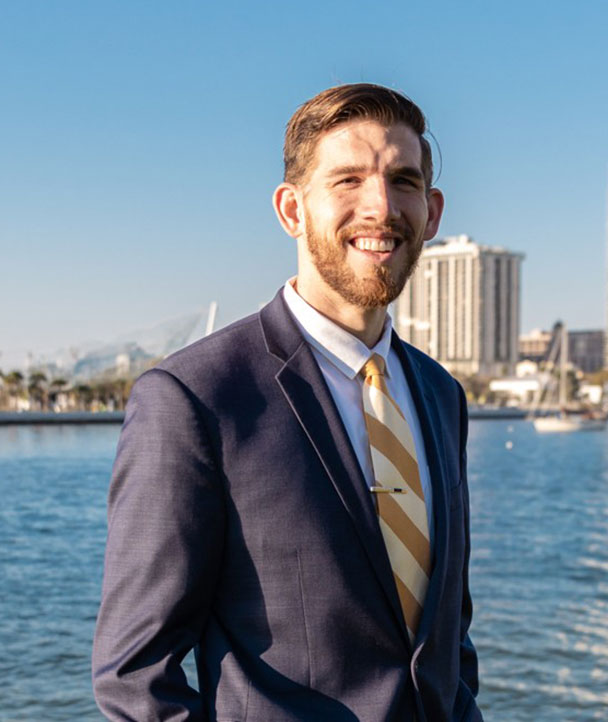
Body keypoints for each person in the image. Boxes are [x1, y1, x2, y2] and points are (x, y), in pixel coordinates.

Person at [93, 83, 483, 722]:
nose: (380, 206)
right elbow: (136, 680)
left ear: (433, 212)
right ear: (292, 210)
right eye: (348, 180)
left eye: (403, 181)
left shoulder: (441, 395)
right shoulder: (196, 399)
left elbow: (448, 635)